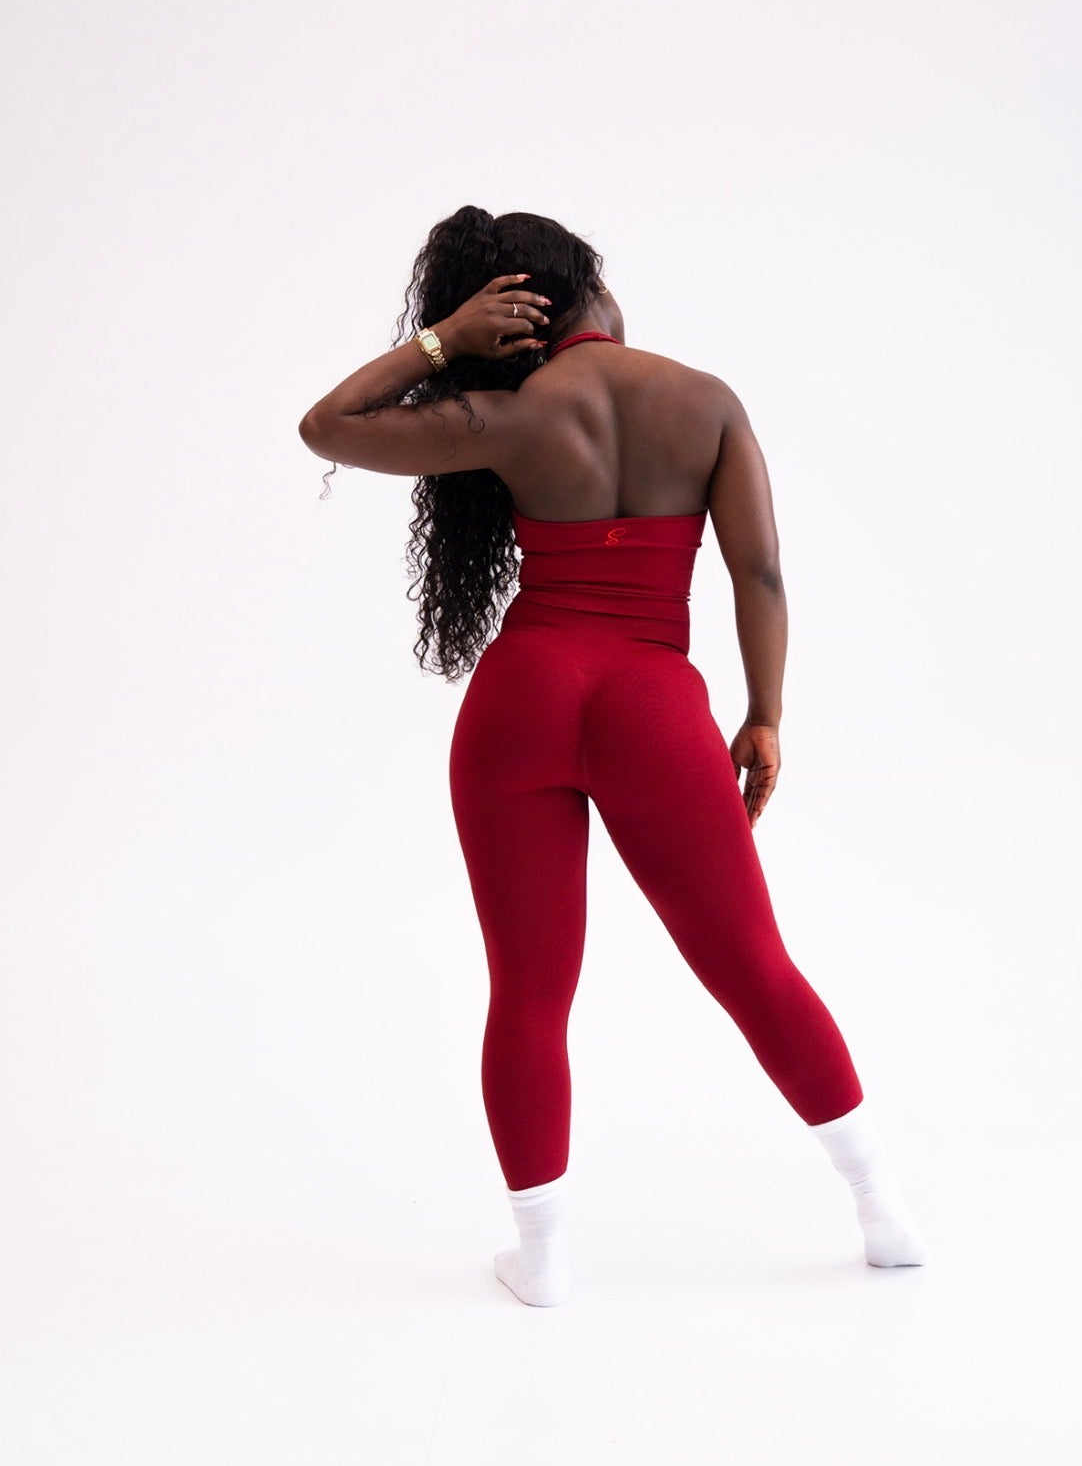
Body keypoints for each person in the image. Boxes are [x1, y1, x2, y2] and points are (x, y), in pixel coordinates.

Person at [299, 206, 927, 1306]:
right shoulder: (707, 401)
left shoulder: (507, 412)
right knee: (754, 966)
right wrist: (765, 713)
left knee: (529, 990)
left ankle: (542, 1258)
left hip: (525, 697)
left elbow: (328, 426)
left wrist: (442, 342)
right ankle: (881, 1210)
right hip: (654, 707)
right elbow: (760, 574)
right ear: (588, 283)